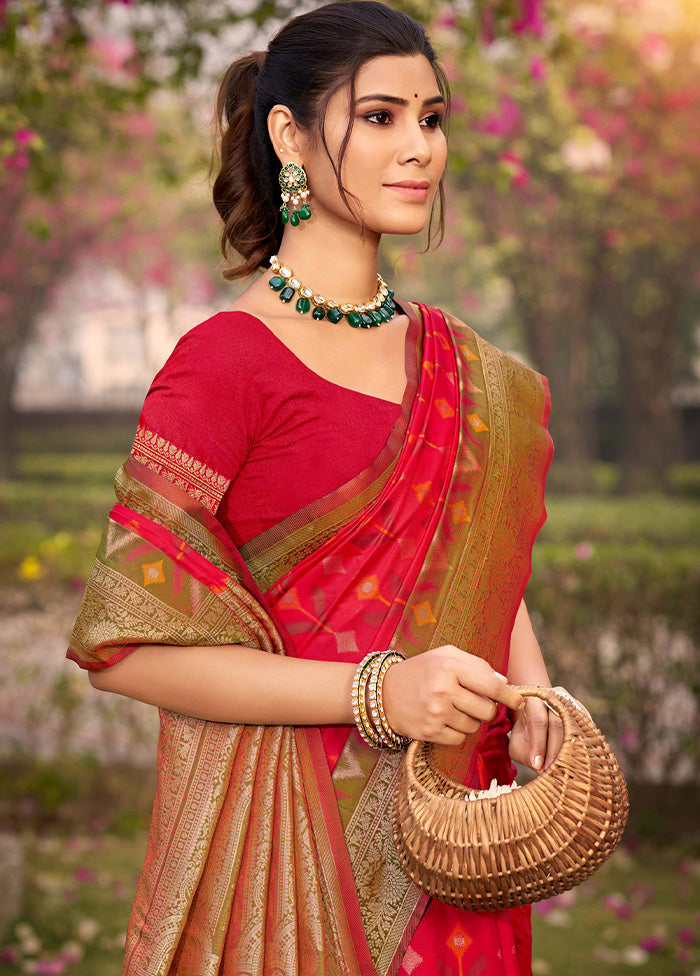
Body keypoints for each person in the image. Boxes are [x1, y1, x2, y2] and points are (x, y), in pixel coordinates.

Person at [67, 3, 561, 974]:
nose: (419, 147)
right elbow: (125, 647)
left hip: (451, 843)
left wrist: (534, 691)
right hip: (288, 862)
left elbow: (471, 549)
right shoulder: (224, 365)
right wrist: (379, 692)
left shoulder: (465, 367)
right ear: (288, 133)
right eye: (379, 117)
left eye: (432, 117)